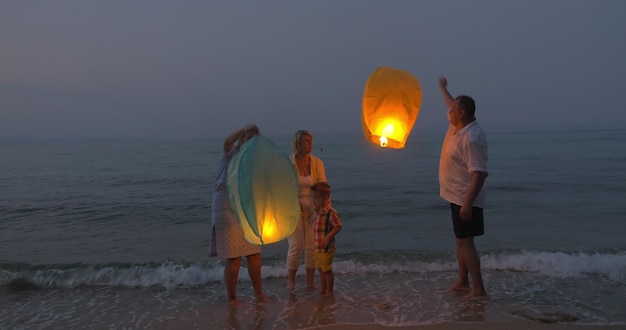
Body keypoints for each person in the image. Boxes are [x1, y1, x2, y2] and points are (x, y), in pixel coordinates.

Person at [438, 76, 489, 299]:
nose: (449, 111)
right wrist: (443, 88)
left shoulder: (472, 138)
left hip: (465, 198)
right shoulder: (457, 125)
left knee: (466, 243)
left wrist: (468, 203)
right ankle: (462, 281)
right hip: (455, 195)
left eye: (453, 110)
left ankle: (478, 290)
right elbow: (452, 103)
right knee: (460, 241)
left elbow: (479, 174)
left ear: (463, 113)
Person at [209, 124, 269, 306]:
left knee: (254, 255)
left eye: (254, 140)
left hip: (245, 209)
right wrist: (243, 129)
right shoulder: (231, 153)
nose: (251, 143)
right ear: (242, 140)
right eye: (247, 139)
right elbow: (226, 142)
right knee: (234, 258)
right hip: (226, 207)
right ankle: (232, 298)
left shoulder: (254, 162)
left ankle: (259, 294)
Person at [286, 130, 327, 290]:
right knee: (296, 246)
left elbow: (322, 186)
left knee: (311, 247)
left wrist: (316, 208)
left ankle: (310, 282)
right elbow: (284, 189)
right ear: (298, 143)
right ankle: (291, 282)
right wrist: (299, 209)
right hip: (292, 207)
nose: (310, 144)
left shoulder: (317, 163)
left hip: (313, 208)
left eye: (311, 141)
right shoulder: (288, 163)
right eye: (307, 141)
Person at [311, 182, 342, 296]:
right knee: (320, 268)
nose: (313, 201)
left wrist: (328, 237)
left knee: (327, 270)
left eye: (316, 199)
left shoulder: (330, 213)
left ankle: (329, 291)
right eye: (312, 198)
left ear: (325, 198)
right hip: (318, 246)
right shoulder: (317, 211)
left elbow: (338, 226)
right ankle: (323, 288)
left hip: (327, 248)